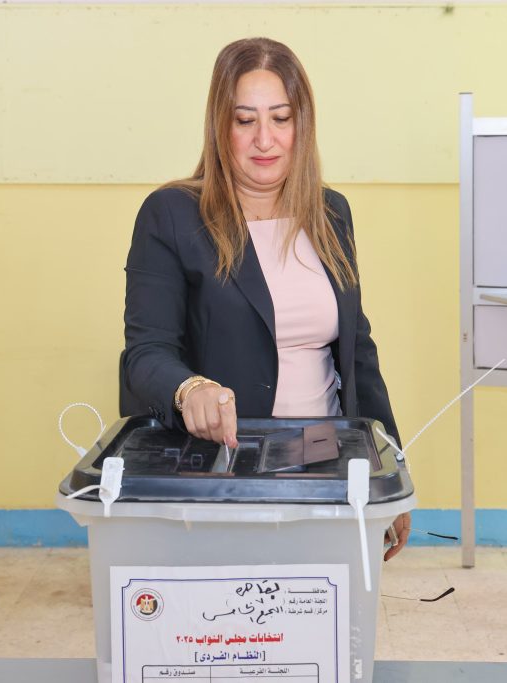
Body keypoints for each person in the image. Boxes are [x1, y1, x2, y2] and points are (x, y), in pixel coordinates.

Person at [120, 37, 409, 560]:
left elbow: (358, 353)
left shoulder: (331, 213)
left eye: (280, 118)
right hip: (221, 472)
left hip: (324, 467)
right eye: (244, 120)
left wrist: (391, 471)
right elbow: (146, 353)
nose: (264, 139)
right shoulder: (171, 215)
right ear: (220, 126)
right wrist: (190, 389)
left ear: (302, 124)